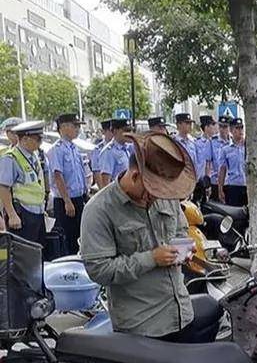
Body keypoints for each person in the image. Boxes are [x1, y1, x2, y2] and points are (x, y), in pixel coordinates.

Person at [80, 132, 217, 342]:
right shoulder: (99, 210)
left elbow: (180, 229)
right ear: (135, 176)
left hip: (181, 314)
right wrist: (151, 258)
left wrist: (184, 249)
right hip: (141, 327)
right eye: (152, 190)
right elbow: (99, 270)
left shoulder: (166, 196)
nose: (157, 197)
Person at [0, 121, 47, 250]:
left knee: (38, 252)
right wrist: (12, 215)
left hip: (37, 212)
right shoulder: (10, 158)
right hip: (22, 214)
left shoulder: (34, 156)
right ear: (25, 139)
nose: (40, 143)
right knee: (23, 255)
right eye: (37, 139)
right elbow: (3, 188)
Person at [48, 113, 89, 255]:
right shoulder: (56, 149)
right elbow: (58, 176)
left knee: (80, 235)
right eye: (75, 126)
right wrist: (67, 201)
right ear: (64, 127)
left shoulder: (73, 148)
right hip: (65, 200)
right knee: (68, 237)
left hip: (79, 198)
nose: (78, 130)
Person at [217, 118, 247, 206]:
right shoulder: (226, 149)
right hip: (233, 186)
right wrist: (220, 189)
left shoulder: (248, 148)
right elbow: (222, 170)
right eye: (237, 128)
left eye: (241, 128)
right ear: (231, 130)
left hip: (247, 186)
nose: (240, 131)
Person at [173, 113, 203, 202]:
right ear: (179, 125)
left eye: (190, 123)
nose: (190, 126)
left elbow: (197, 162)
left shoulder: (193, 142)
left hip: (193, 182)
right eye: (187, 123)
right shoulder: (174, 142)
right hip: (180, 182)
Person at [98, 119, 133, 188]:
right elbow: (105, 183)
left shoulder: (127, 148)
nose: (130, 133)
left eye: (131, 130)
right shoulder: (108, 152)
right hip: (117, 195)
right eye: (126, 130)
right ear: (115, 131)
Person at [194, 115, 215, 201]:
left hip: (213, 181)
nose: (213, 128)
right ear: (206, 127)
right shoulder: (197, 143)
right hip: (200, 181)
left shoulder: (215, 142)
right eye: (212, 126)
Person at [210, 116, 231, 201]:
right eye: (220, 126)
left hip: (229, 182)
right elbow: (208, 162)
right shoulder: (212, 141)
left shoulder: (233, 143)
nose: (222, 129)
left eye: (225, 127)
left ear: (229, 128)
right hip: (215, 181)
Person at [91, 120, 113, 187]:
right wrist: (102, 189)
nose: (113, 133)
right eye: (110, 131)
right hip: (106, 185)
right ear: (104, 132)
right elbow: (96, 171)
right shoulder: (98, 149)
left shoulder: (120, 147)